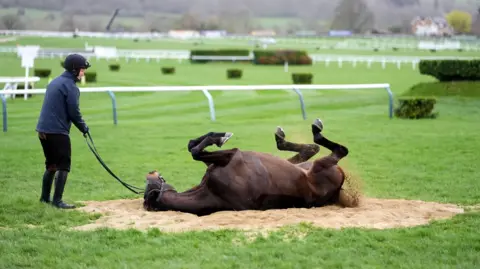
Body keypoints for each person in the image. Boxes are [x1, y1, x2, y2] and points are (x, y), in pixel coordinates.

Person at [36, 53, 91, 209]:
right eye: (82, 69)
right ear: (74, 70)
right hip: (57, 131)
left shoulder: (55, 82)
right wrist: (84, 128)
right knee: (63, 165)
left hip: (42, 130)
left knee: (51, 165)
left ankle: (45, 199)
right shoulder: (71, 87)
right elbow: (74, 112)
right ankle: (57, 201)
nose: (83, 72)